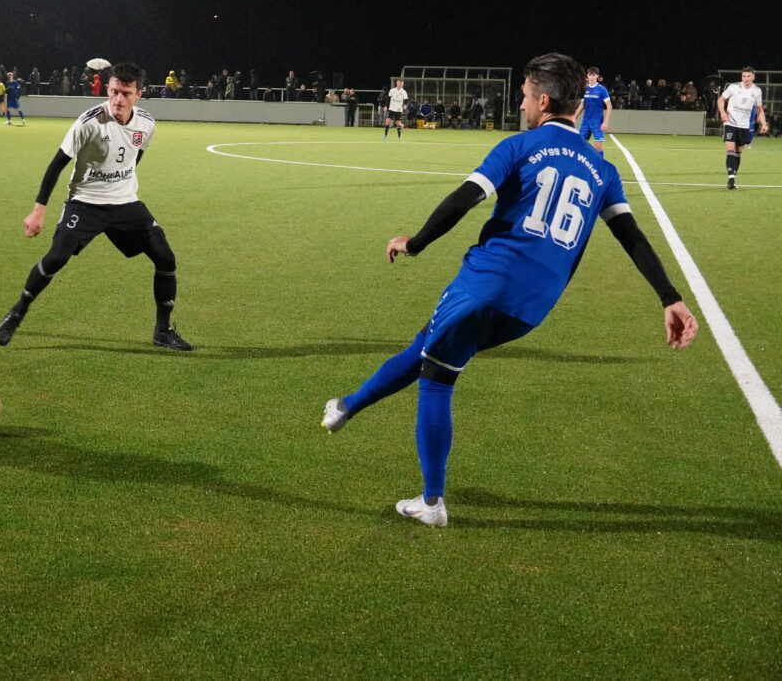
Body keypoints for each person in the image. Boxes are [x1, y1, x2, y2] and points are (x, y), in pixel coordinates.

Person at [320, 53, 698, 528]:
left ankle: (432, 502)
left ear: (543, 99)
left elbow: (464, 198)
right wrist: (669, 297)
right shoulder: (602, 170)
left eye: (523, 95)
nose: (520, 103)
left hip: (485, 284)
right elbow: (631, 236)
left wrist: (414, 243)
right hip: (531, 308)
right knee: (429, 347)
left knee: (436, 378)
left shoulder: (519, 147)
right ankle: (347, 406)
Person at [0, 62, 192, 352]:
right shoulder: (88, 123)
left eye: (125, 93)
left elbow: (134, 157)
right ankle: (17, 312)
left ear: (139, 94)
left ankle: (162, 331)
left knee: (166, 258)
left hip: (125, 203)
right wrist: (39, 209)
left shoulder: (146, 124)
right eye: (114, 92)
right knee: (56, 258)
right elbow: (57, 164)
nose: (118, 99)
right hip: (85, 203)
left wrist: (123, 182)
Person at [717, 66, 768, 190]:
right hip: (731, 123)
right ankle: (731, 179)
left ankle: (733, 177)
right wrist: (723, 113)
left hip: (744, 125)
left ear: (753, 77)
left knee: (738, 153)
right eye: (744, 76)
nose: (746, 78)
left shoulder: (757, 91)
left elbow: (759, 109)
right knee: (730, 150)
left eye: (748, 76)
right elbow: (720, 100)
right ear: (741, 77)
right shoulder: (733, 87)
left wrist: (764, 123)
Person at [575, 66, 612, 153]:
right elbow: (581, 105)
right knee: (580, 144)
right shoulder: (584, 89)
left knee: (598, 147)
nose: (591, 77)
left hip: (597, 121)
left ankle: (600, 166)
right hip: (586, 121)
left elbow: (609, 106)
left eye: (593, 75)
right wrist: (574, 117)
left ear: (597, 76)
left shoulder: (602, 90)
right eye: (590, 75)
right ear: (587, 76)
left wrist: (605, 122)